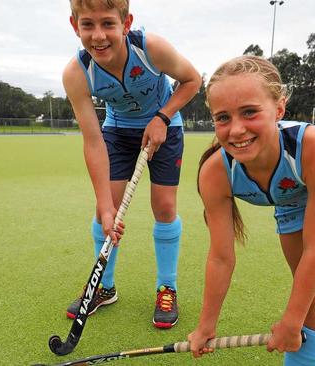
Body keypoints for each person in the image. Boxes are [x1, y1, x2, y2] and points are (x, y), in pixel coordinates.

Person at [188, 55, 315, 365]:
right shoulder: (214, 172)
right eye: (223, 118)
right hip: (289, 199)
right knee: (307, 283)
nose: (236, 130)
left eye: (249, 112)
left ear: (279, 109)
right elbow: (221, 257)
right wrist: (206, 325)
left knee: (314, 295)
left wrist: (293, 319)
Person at [62, 0, 201, 329]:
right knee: (105, 210)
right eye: (88, 25)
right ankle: (104, 287)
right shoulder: (77, 73)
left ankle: (166, 287)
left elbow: (192, 80)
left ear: (126, 23)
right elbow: (93, 141)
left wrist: (162, 117)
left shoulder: (150, 48)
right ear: (74, 25)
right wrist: (105, 205)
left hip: (166, 126)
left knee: (164, 206)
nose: (98, 36)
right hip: (118, 132)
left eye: (108, 23)